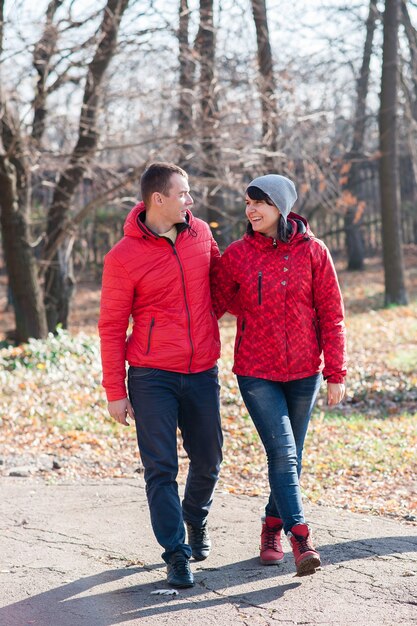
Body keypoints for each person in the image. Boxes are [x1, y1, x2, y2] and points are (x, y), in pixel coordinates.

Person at [212, 174, 347, 576]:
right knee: (284, 453)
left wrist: (336, 371)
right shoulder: (237, 254)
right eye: (248, 202)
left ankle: (271, 526)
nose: (251, 210)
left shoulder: (314, 252)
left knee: (291, 457)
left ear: (282, 208)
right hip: (256, 371)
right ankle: (300, 536)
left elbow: (331, 315)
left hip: (305, 371)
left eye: (261, 203)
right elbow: (214, 303)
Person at [98, 162, 223, 588]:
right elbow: (112, 327)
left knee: (208, 460)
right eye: (184, 193)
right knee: (161, 468)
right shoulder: (122, 258)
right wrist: (116, 390)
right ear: (159, 200)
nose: (190, 201)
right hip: (152, 377)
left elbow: (222, 286)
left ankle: (194, 519)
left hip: (202, 368)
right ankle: (176, 553)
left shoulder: (201, 233)